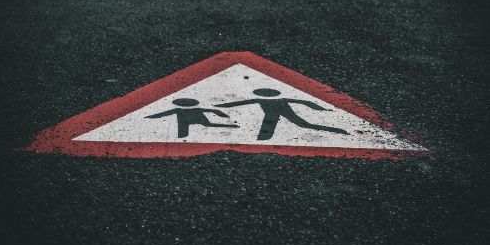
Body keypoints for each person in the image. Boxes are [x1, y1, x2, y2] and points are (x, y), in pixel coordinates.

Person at [215, 88, 348, 141]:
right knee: (304, 125)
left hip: (276, 113)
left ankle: (338, 130)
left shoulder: (262, 99)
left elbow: (240, 103)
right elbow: (304, 101)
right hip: (272, 115)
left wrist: (320, 109)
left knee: (304, 125)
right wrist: (318, 108)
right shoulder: (276, 99)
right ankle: (262, 141)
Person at [145, 98, 238, 139]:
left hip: (184, 120)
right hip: (196, 117)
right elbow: (212, 110)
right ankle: (231, 126)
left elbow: (163, 114)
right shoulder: (198, 109)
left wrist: (151, 116)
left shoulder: (178, 110)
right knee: (209, 124)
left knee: (183, 130)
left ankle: (182, 137)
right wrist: (221, 114)